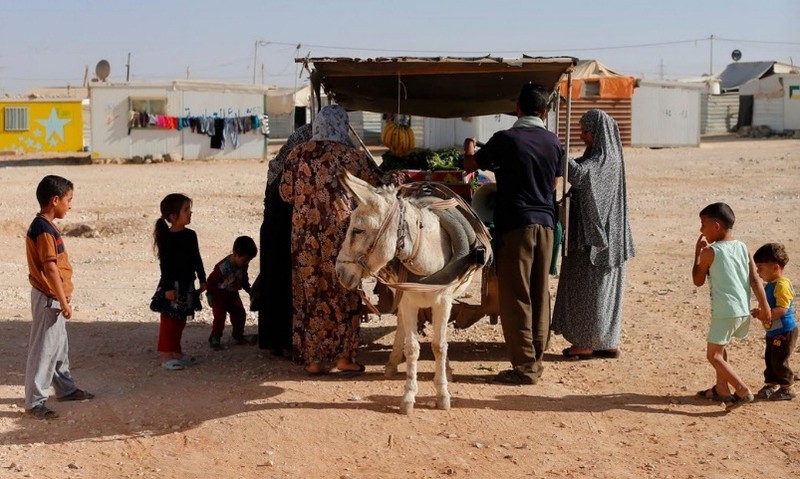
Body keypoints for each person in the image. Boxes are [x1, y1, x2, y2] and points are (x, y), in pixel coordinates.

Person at [279, 104, 404, 376]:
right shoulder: (351, 156)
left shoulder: (297, 154)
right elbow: (378, 187)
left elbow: (286, 194)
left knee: (309, 293)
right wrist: (398, 175)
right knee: (344, 290)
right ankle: (345, 358)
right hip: (341, 235)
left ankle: (313, 360)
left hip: (303, 237)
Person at [463, 83, 563, 385]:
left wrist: (469, 145)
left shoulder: (506, 139)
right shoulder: (553, 141)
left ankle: (524, 369)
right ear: (544, 111)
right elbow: (555, 182)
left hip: (517, 225)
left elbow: (470, 166)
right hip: (546, 226)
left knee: (516, 296)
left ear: (517, 107)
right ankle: (536, 360)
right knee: (538, 292)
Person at [552, 109, 635, 360]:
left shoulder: (603, 160)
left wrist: (556, 150)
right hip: (610, 238)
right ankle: (607, 342)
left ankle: (584, 344)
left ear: (597, 132)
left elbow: (580, 176)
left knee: (588, 290)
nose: (582, 135)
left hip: (594, 240)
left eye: (585, 131)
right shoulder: (607, 156)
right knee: (604, 291)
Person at [24, 175, 94, 420]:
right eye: (68, 200)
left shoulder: (46, 226)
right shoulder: (43, 229)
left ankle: (66, 389)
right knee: (44, 350)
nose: (70, 205)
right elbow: (50, 268)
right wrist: (63, 301)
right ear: (55, 200)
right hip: (49, 298)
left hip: (54, 297)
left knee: (59, 347)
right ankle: (35, 402)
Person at [692, 202, 770, 411]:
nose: (701, 230)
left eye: (703, 224)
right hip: (742, 309)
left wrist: (697, 254)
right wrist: (765, 307)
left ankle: (742, 390)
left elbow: (697, 280)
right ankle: (722, 389)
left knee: (713, 355)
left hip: (725, 312)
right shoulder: (742, 247)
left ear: (716, 226)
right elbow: (754, 279)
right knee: (721, 346)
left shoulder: (711, 252)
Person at [258, 123, 313, 356]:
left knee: (276, 284)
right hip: (287, 234)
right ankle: (289, 342)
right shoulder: (303, 166)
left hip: (275, 233)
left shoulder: (280, 166)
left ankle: (275, 341)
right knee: (288, 286)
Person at [152, 193, 206, 371]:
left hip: (186, 284)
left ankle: (177, 352)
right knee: (169, 321)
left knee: (180, 320)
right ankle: (167, 355)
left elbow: (197, 259)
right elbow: (165, 265)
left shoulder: (191, 235)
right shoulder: (167, 238)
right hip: (172, 285)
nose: (190, 213)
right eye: (185, 210)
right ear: (173, 217)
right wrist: (167, 288)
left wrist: (203, 280)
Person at [751, 242, 796, 401]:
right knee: (770, 357)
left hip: (784, 331)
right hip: (774, 330)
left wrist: (765, 315)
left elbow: (782, 309)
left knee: (779, 359)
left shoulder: (782, 285)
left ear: (775, 267)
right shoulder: (771, 285)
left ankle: (787, 387)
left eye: (761, 268)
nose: (758, 272)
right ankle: (771, 383)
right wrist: (761, 312)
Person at [206, 235, 258, 350]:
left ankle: (237, 335)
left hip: (233, 294)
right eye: (244, 260)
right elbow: (210, 281)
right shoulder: (223, 267)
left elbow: (244, 278)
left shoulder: (243, 265)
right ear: (235, 254)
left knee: (240, 314)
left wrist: (248, 289)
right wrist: (209, 295)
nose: (246, 263)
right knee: (220, 317)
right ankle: (215, 337)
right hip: (219, 295)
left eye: (248, 261)